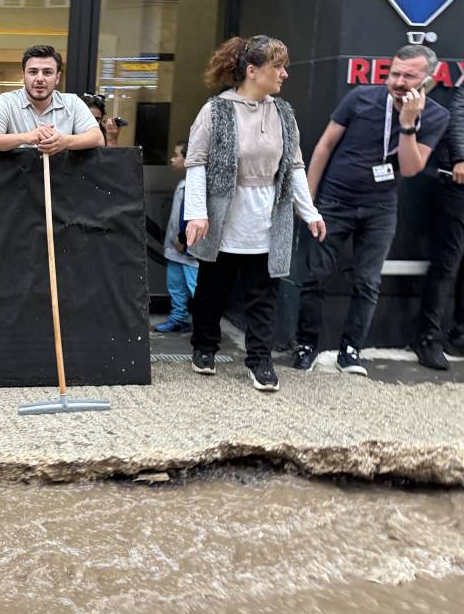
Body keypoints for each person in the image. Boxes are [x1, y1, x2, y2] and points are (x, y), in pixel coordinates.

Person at [292, 44, 450, 376]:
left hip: (380, 207)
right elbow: (324, 146)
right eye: (394, 73)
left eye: (410, 75)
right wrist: (308, 202)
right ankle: (306, 346)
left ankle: (350, 352)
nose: (399, 81)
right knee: (315, 276)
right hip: (335, 201)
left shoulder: (435, 115)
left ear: (428, 79)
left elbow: (409, 168)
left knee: (367, 282)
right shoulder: (361, 97)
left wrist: (408, 124)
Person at [184, 35, 325, 393]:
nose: (284, 74)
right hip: (223, 219)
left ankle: (260, 361)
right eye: (277, 67)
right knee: (211, 291)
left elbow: (294, 166)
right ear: (252, 71)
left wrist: (309, 213)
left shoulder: (283, 113)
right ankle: (204, 347)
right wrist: (197, 213)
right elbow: (197, 163)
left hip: (267, 218)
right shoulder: (215, 111)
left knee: (263, 296)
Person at [411, 86, 464, 369]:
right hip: (458, 185)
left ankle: (459, 335)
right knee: (447, 264)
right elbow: (458, 112)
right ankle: (427, 338)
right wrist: (460, 157)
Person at [0, 45, 104, 153]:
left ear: (57, 78)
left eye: (47, 72)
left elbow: (98, 138)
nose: (39, 78)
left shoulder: (73, 103)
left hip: (61, 179)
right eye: (33, 72)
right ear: (24, 76)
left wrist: (65, 141)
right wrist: (26, 137)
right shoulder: (6, 102)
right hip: (17, 180)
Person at [154, 138, 199, 333]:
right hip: (176, 248)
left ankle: (205, 326)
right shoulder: (183, 182)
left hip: (187, 247)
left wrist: (183, 239)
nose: (172, 159)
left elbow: (190, 216)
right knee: (176, 285)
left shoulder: (197, 185)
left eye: (176, 155)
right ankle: (178, 318)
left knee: (194, 286)